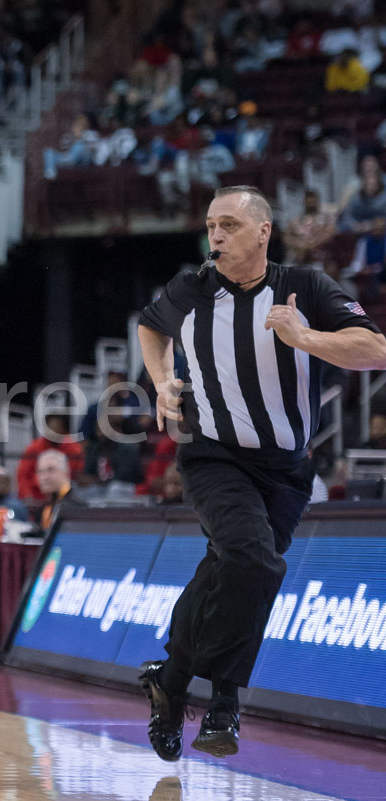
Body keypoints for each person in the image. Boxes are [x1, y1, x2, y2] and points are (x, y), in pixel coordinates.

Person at [137, 185, 386, 761]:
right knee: (251, 559)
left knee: (229, 570)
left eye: (229, 225)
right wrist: (161, 377)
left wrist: (307, 338)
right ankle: (224, 702)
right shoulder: (191, 289)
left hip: (285, 469)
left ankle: (170, 683)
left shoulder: (306, 287)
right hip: (213, 455)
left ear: (263, 232)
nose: (215, 236)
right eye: (210, 225)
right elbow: (152, 326)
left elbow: (374, 348)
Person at [34, 450, 84, 531]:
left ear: (66, 471)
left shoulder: (77, 504)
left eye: (51, 470)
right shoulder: (46, 507)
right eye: (40, 472)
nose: (44, 477)